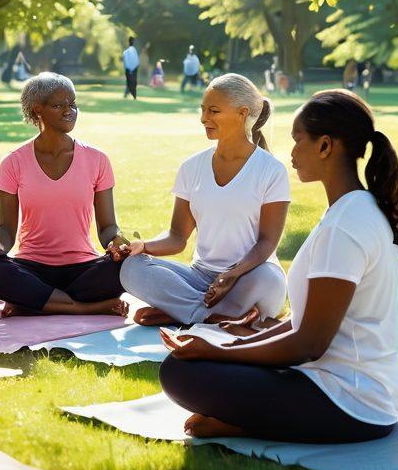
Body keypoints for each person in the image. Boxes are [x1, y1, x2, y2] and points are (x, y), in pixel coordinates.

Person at [158, 89, 398, 444]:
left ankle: (251, 425)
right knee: (204, 349)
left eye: (298, 140)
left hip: (350, 403)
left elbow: (308, 343)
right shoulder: (355, 210)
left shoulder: (345, 226)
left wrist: (218, 353)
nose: (291, 152)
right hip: (359, 396)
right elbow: (310, 318)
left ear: (325, 146)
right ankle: (255, 418)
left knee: (180, 373)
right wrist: (237, 344)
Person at [119, 73, 289, 327]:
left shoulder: (271, 170)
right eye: (203, 110)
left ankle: (180, 312)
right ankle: (212, 317)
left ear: (242, 113)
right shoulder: (192, 167)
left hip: (249, 275)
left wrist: (231, 275)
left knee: (269, 279)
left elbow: (267, 243)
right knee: (131, 268)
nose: (203, 119)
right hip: (200, 278)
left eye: (214, 111)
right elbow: (177, 238)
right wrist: (142, 246)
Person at [0, 73, 130, 317]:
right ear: (37, 110)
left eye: (73, 104)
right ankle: (88, 308)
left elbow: (107, 227)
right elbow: (5, 229)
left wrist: (117, 241)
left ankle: (31, 301)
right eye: (58, 105)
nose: (69, 111)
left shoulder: (98, 160)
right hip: (32, 267)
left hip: (84, 269)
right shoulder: (13, 162)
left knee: (130, 266)